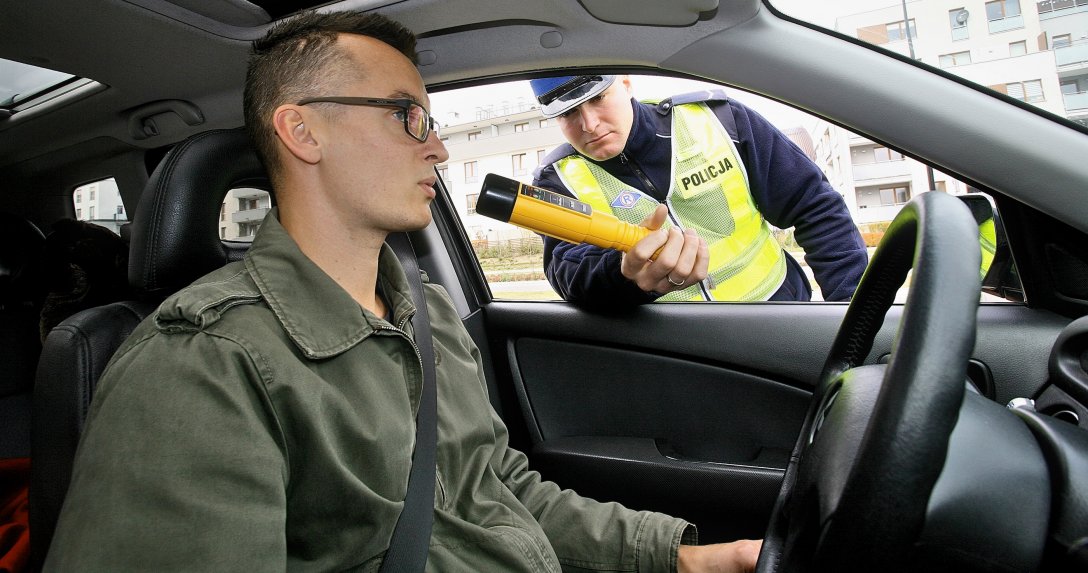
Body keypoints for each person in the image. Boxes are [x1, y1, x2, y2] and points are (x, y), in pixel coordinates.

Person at [46, 10, 760, 572]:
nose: (439, 148)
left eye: (433, 120)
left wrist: (683, 558)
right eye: (404, 115)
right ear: (302, 130)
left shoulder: (429, 315)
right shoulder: (202, 369)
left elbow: (497, 492)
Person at [530, 75, 868, 305]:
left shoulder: (720, 119)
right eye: (568, 113)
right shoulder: (556, 180)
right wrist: (622, 273)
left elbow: (817, 208)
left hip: (775, 317)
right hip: (678, 354)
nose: (589, 124)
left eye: (598, 98)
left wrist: (852, 313)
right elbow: (568, 274)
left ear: (627, 84)